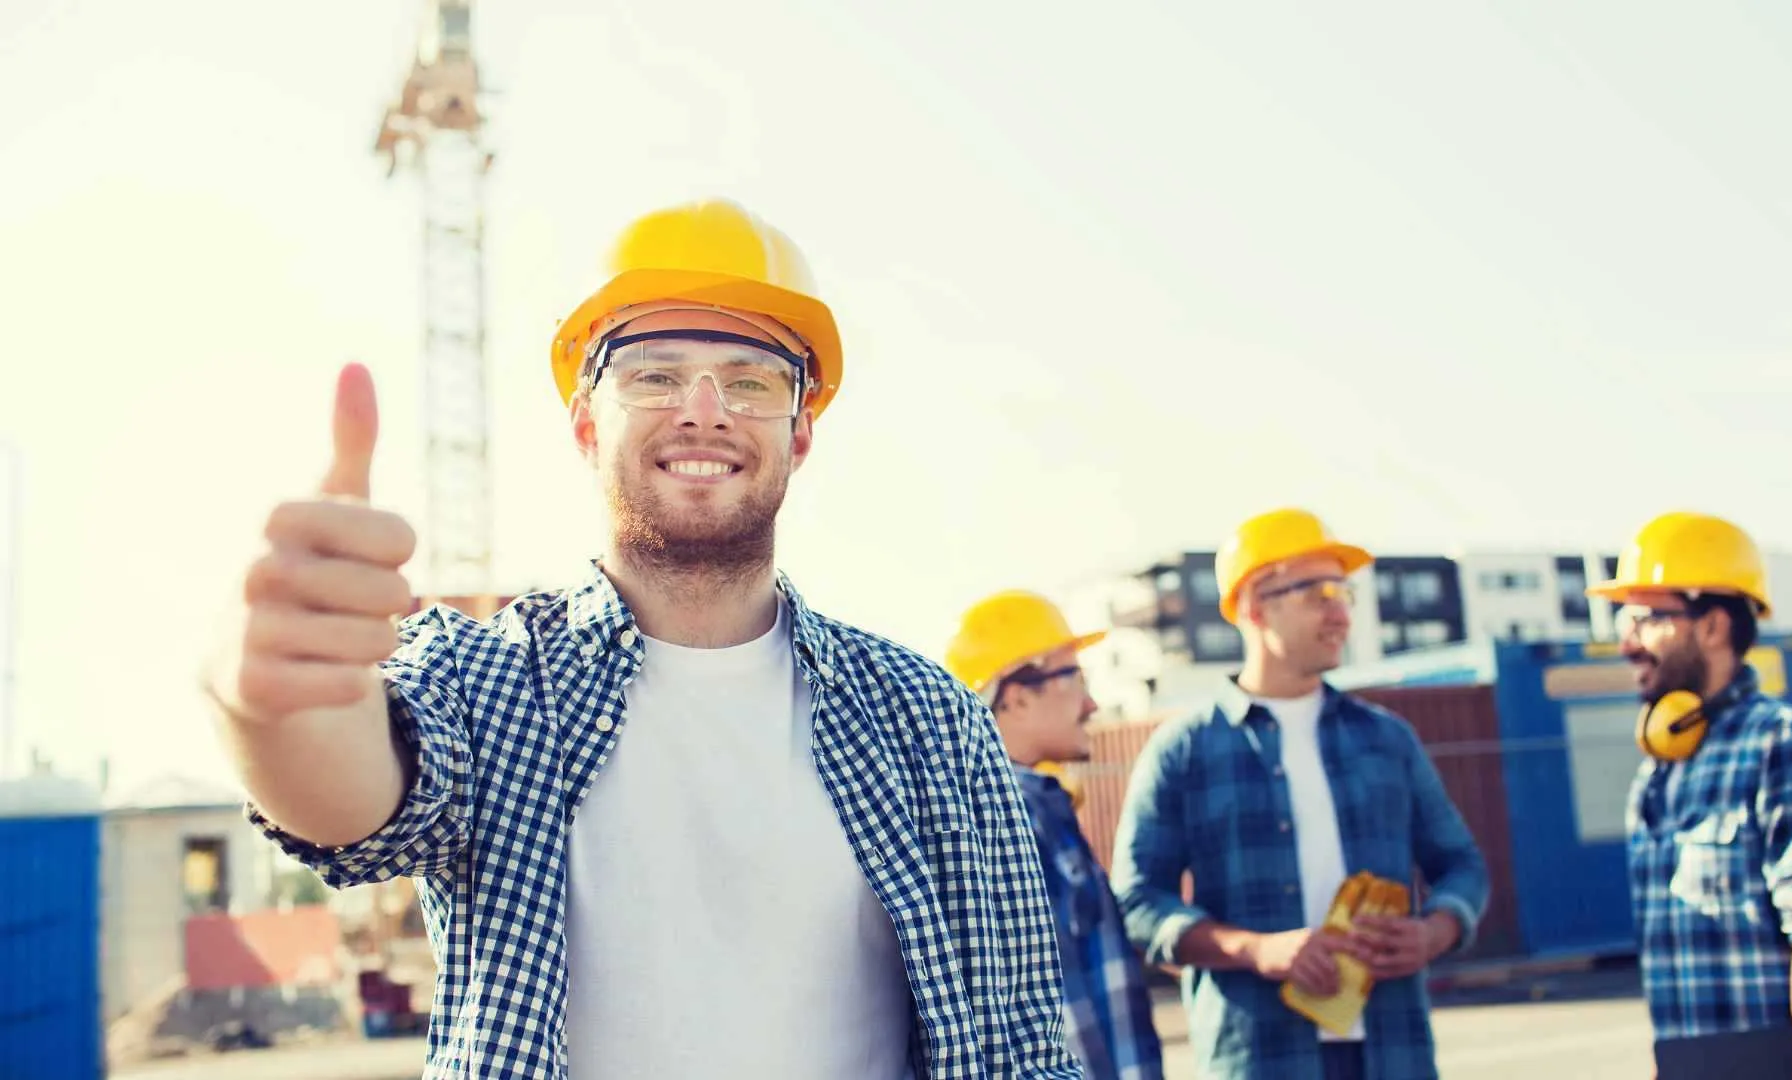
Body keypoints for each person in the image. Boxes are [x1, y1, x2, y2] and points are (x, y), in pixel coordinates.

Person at [201, 197, 1082, 1080]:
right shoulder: (490, 680)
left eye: (752, 379)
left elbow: (1025, 1049)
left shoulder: (925, 718)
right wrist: (265, 704)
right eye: (655, 374)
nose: (704, 411)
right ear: (587, 424)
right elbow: (354, 801)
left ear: (800, 433)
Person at [1109, 507, 1489, 1080]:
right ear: (1255, 607)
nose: (1341, 613)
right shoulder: (1182, 751)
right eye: (1321, 593)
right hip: (1258, 1056)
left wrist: (1435, 931)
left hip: (1394, 1051)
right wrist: (1255, 950)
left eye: (1344, 594)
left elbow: (1462, 865)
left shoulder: (1389, 740)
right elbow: (1138, 901)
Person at [1589, 511, 1792, 1080]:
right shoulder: (1657, 778)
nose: (1626, 642)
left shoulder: (1784, 745)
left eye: (1645, 618)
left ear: (1712, 626)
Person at [944, 590, 1166, 1080]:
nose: (1091, 703)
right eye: (1075, 677)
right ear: (1017, 696)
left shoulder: (1031, 808)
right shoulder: (1003, 821)